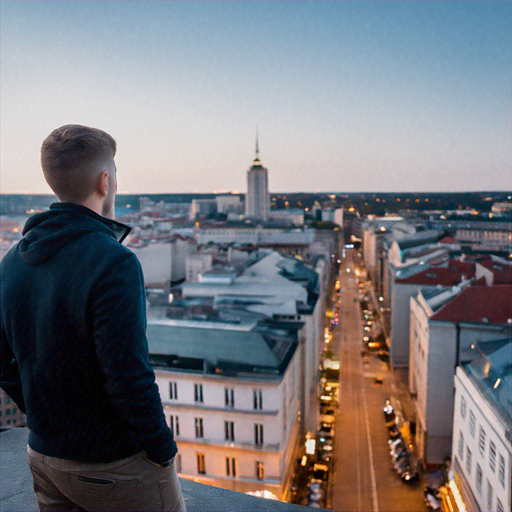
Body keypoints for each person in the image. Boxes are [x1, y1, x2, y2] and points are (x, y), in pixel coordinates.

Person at [0, 125, 186, 512]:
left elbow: (3, 362)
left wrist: (41, 416)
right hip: (113, 464)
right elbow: (127, 373)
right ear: (105, 181)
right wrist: (161, 448)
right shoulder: (112, 261)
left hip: (45, 456)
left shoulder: (13, 260)